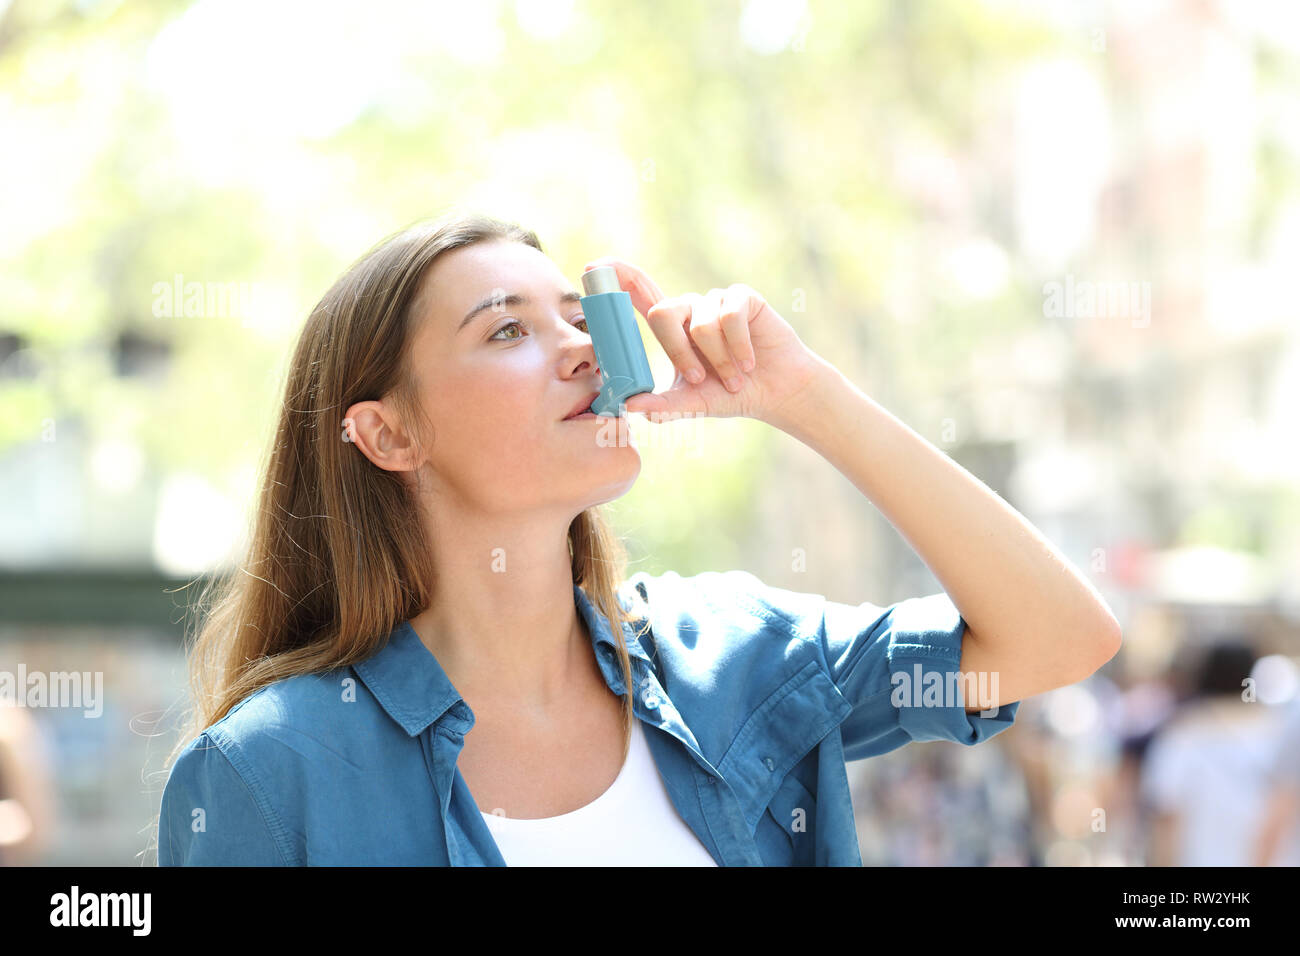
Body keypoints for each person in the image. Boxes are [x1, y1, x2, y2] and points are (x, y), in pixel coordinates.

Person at [154, 210, 1122, 866]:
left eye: (579, 319)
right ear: (388, 432)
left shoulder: (739, 661)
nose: (580, 346)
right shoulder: (273, 770)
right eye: (506, 332)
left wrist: (807, 400)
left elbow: (1057, 638)